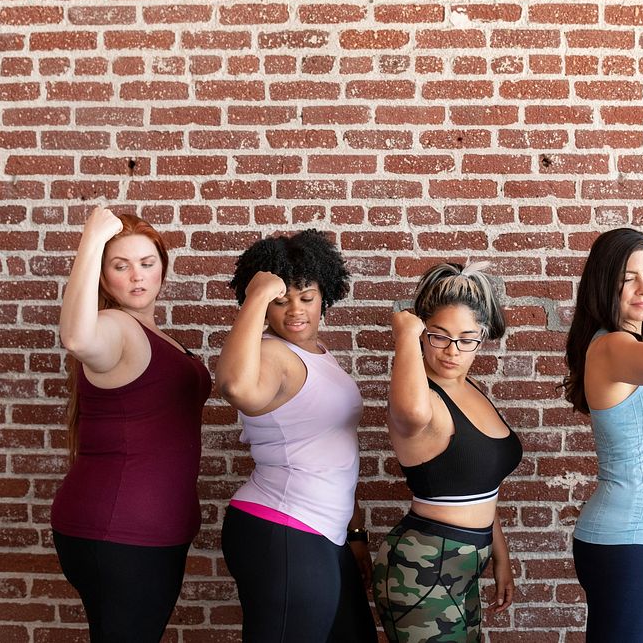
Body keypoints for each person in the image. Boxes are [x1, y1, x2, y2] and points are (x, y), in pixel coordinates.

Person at [51, 207, 210, 642]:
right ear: (103, 278)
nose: (136, 276)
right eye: (120, 266)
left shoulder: (159, 335)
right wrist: (92, 239)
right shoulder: (113, 325)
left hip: (145, 529)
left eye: (147, 263)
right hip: (120, 531)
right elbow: (77, 339)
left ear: (163, 270)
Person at [216, 230, 376, 642]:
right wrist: (256, 294)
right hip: (283, 527)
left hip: (325, 533)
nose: (295, 312)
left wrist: (354, 532)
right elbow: (235, 387)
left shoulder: (319, 353)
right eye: (280, 300)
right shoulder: (271, 354)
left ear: (326, 295)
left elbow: (335, 451)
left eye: (306, 297)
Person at [372, 262, 522, 643]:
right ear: (423, 333)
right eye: (439, 336)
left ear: (482, 337)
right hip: (422, 565)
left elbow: (482, 483)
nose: (453, 351)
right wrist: (405, 336)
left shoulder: (467, 387)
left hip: (468, 563)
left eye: (467, 338)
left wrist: (500, 555)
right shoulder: (419, 396)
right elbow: (411, 414)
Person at [562, 228, 643, 643]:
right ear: (605, 286)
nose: (642, 288)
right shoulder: (612, 346)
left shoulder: (629, 347)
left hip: (626, 540)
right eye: (627, 279)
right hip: (622, 542)